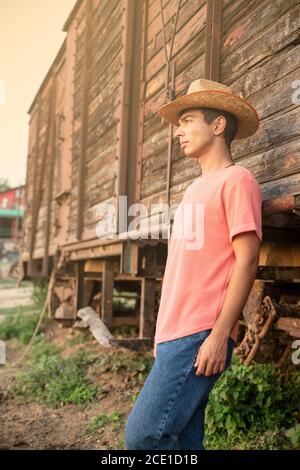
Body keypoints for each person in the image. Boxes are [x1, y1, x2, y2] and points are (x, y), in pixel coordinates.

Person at [125, 79, 262, 450]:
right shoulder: (192, 190)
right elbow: (181, 272)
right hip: (176, 334)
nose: (179, 132)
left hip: (201, 332)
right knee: (185, 441)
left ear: (218, 125)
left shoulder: (238, 181)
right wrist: (161, 334)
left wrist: (220, 334)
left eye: (187, 120)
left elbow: (246, 262)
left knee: (142, 437)